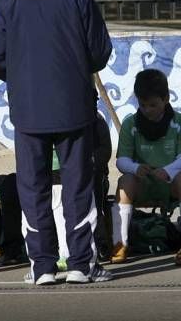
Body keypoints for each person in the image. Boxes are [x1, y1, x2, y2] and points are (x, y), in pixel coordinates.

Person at [0, 0, 113, 286]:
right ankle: (81, 264)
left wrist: (23, 76)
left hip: (27, 108)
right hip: (73, 105)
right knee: (77, 185)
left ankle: (42, 266)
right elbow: (100, 51)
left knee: (33, 185)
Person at [111, 68, 181, 266]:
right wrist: (135, 168)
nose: (148, 110)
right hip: (143, 183)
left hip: (170, 183)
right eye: (142, 105)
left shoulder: (180, 122)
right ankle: (119, 243)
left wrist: (168, 170)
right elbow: (121, 161)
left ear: (166, 99)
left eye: (153, 105)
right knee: (125, 181)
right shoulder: (130, 124)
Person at [52, 109, 112, 270]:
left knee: (87, 193)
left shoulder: (96, 121)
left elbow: (103, 153)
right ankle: (62, 252)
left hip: (87, 173)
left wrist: (84, 166)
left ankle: (95, 246)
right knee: (55, 198)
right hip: (56, 175)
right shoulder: (49, 119)